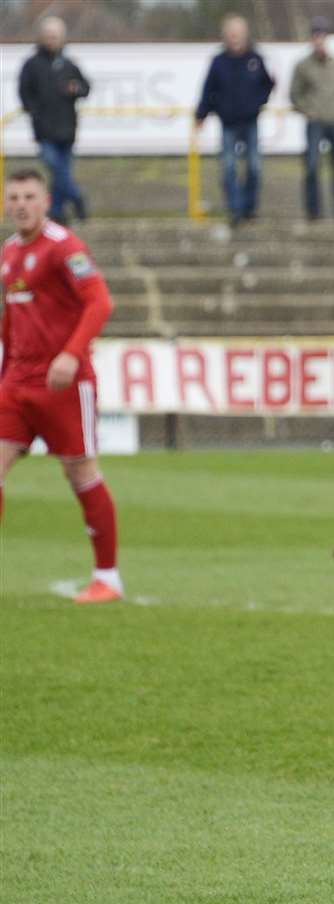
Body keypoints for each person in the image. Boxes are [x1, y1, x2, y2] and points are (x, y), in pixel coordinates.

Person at [0, 168, 119, 604]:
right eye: (13, 197)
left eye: (29, 196)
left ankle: (108, 577)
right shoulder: (8, 252)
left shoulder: (64, 247)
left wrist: (71, 354)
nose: (20, 205)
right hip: (17, 383)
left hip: (64, 385)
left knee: (81, 473)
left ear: (45, 201)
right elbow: (11, 321)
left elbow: (100, 301)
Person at [195, 14, 275, 227]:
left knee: (254, 167)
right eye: (231, 34)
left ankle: (249, 208)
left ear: (245, 35)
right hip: (228, 123)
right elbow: (208, 90)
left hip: (250, 121)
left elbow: (268, 85)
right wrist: (201, 114)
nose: (235, 38)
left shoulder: (255, 59)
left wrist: (258, 103)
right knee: (228, 167)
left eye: (238, 34)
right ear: (225, 36)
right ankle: (235, 209)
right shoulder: (219, 62)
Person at [16, 16, 90, 224]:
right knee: (57, 169)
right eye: (48, 36)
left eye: (55, 36)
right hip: (44, 130)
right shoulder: (31, 65)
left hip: (67, 130)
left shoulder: (68, 64)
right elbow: (24, 92)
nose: (51, 40)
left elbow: (86, 88)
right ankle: (77, 198)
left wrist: (76, 89)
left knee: (61, 173)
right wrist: (34, 111)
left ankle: (57, 213)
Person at [289, 16, 334, 222]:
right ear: (311, 38)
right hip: (314, 122)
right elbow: (294, 94)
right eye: (316, 35)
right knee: (312, 168)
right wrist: (308, 110)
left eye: (322, 35)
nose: (319, 40)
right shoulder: (303, 66)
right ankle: (313, 212)